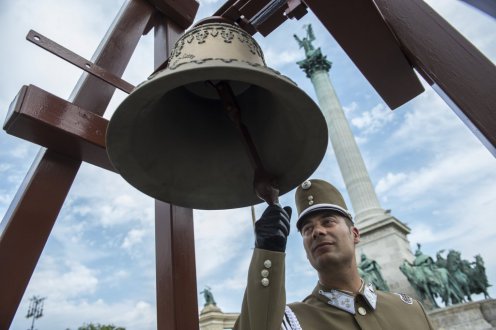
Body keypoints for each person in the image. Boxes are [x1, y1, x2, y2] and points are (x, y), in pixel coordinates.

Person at [233, 179, 433, 329]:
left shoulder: (411, 310)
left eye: (328, 221)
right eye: (307, 229)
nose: (317, 232)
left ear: (354, 234)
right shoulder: (289, 321)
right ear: (305, 248)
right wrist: (268, 251)